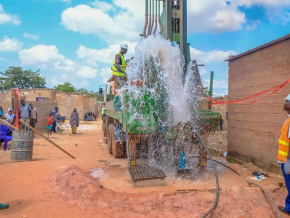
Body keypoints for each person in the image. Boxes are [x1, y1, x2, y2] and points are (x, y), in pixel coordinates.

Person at [278, 94, 290, 215]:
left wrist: (288, 161)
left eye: (287, 101)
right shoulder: (288, 119)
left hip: (287, 161)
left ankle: (289, 208)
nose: (284, 103)